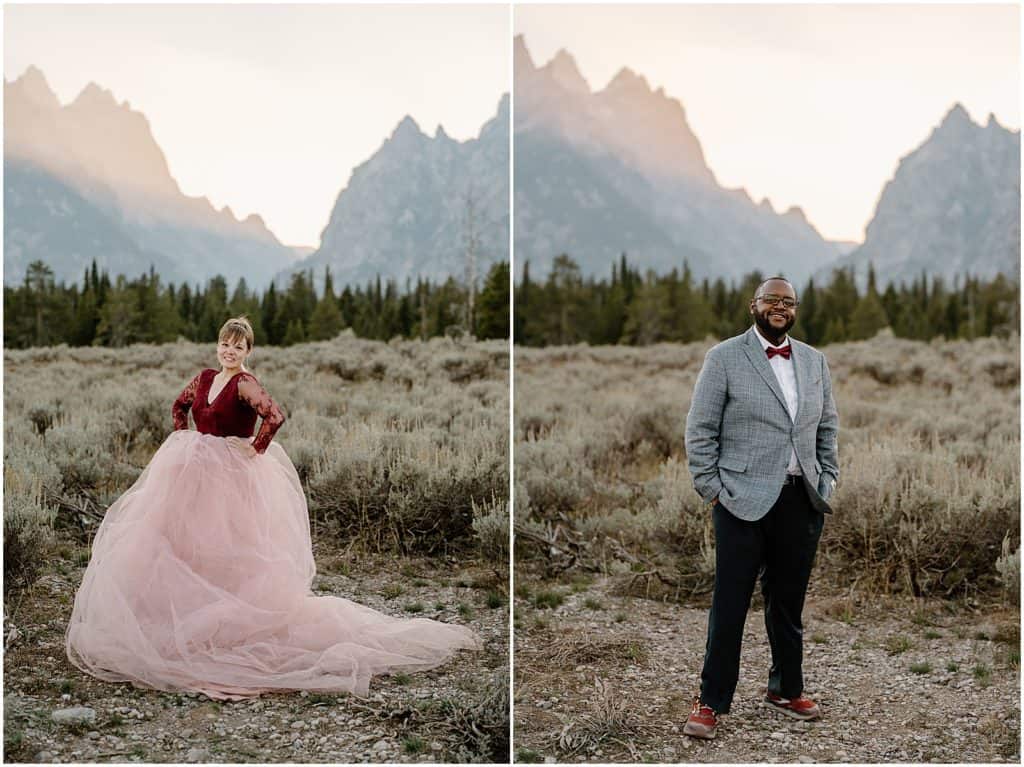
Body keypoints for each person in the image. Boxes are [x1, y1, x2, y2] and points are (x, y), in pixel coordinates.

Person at [66, 316, 480, 700]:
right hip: (191, 469)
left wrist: (254, 450)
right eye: (225, 344)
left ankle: (228, 615)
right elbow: (179, 406)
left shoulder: (246, 384)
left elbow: (274, 416)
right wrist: (185, 439)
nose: (230, 351)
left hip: (232, 473)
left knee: (230, 540)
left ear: (248, 351)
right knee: (182, 537)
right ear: (217, 347)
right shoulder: (204, 377)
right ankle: (182, 607)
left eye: (238, 346)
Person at [682, 277, 839, 739]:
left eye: (787, 302)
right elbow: (700, 429)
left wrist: (827, 480)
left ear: (795, 310)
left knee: (787, 604)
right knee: (729, 604)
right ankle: (711, 701)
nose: (779, 307)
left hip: (800, 499)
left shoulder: (815, 361)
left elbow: (827, 428)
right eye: (771, 299)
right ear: (754, 305)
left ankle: (786, 689)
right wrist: (712, 488)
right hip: (739, 499)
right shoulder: (724, 357)